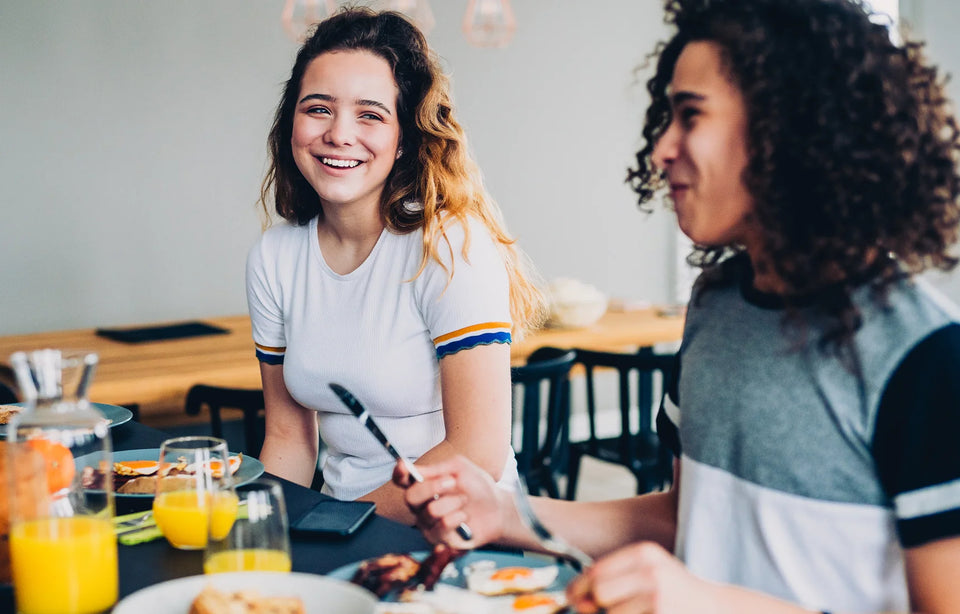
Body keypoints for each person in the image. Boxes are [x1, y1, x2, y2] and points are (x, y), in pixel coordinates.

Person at [394, 0, 960, 611]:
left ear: (791, 127)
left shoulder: (927, 358)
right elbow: (682, 521)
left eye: (690, 116)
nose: (662, 148)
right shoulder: (718, 306)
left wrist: (705, 602)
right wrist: (507, 513)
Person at [246, 7, 544, 522]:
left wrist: (335, 526)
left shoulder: (450, 247)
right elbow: (289, 439)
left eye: (370, 114)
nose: (339, 134)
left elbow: (476, 451)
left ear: (404, 136)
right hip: (342, 526)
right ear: (290, 120)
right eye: (318, 108)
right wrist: (266, 533)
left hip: (461, 528)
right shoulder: (274, 257)